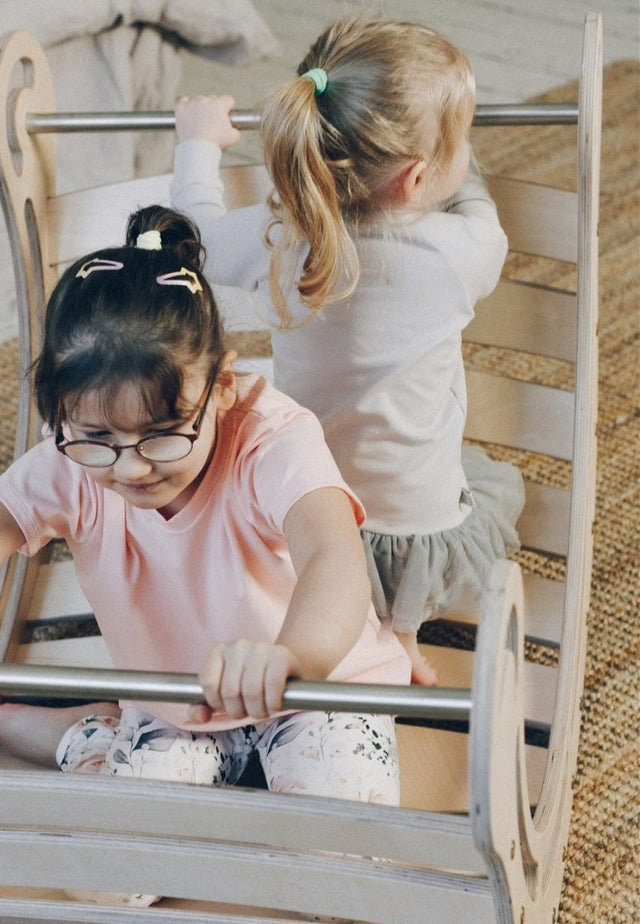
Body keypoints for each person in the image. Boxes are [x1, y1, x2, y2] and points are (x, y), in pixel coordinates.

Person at [0, 206, 409, 823]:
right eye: (96, 440)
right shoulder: (66, 459)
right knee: (119, 875)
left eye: (165, 433)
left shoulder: (273, 437)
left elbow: (332, 554)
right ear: (60, 415)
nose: (131, 467)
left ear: (221, 388)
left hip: (316, 685)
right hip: (178, 707)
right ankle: (89, 733)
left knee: (342, 851)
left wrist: (292, 657)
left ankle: (100, 739)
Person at [171, 17, 524, 685]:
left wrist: (197, 145)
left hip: (300, 516)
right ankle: (401, 633)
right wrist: (466, 161)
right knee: (471, 478)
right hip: (413, 533)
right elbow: (482, 211)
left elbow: (190, 236)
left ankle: (350, 622)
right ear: (416, 179)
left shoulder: (282, 238)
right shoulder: (458, 254)